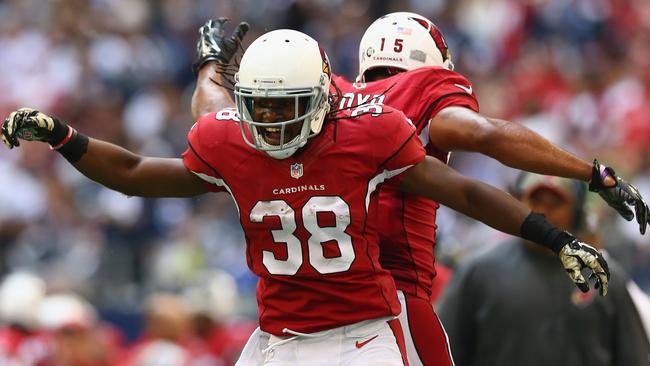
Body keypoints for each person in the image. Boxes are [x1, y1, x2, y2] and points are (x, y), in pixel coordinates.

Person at [2, 29, 610, 366]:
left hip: (360, 336)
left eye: (281, 108)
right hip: (275, 337)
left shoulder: (367, 132)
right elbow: (135, 170)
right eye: (257, 108)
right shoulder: (232, 138)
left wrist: (553, 237)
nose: (267, 122)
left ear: (320, 98)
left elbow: (466, 193)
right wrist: (64, 136)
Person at [189, 14, 649, 366]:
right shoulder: (416, 95)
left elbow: (216, 121)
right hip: (389, 307)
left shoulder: (326, 100)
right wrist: (592, 172)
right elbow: (483, 134)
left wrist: (210, 64)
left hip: (296, 316)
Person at [436, 173, 650, 366]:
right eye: (535, 200)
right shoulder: (479, 271)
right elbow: (443, 351)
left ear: (576, 211)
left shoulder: (604, 277)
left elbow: (633, 357)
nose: (542, 212)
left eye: (555, 203)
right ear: (517, 204)